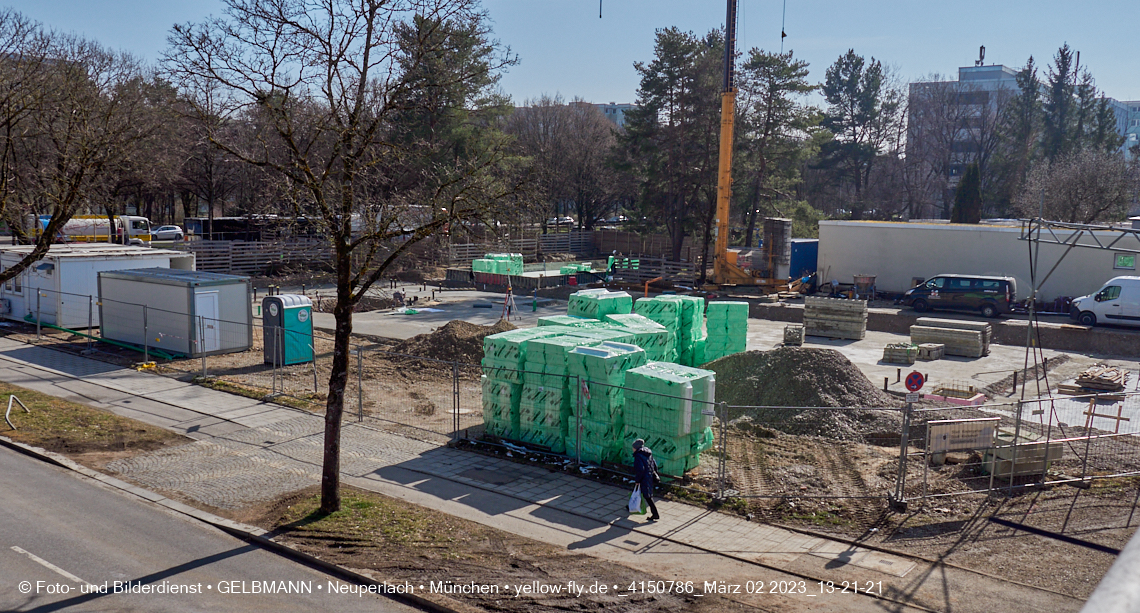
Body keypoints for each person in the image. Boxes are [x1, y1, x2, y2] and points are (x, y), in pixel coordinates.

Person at [632, 439, 661, 522]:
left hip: (644, 477)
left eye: (633, 447)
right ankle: (631, 505)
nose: (632, 449)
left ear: (636, 448)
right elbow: (654, 464)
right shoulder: (648, 453)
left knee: (647, 496)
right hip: (649, 476)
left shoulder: (638, 456)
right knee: (639, 491)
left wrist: (638, 479)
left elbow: (640, 469)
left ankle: (655, 514)